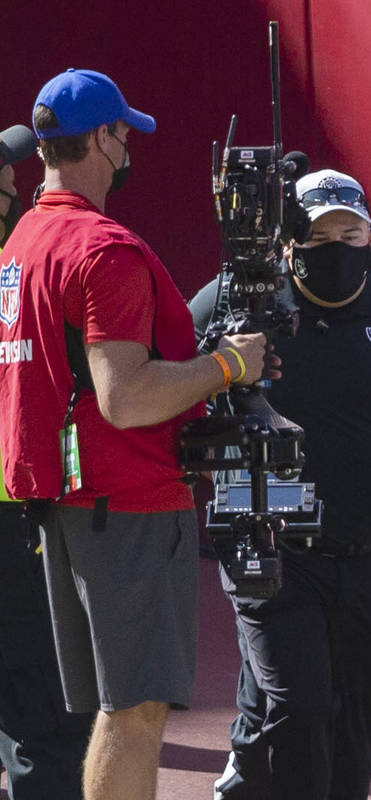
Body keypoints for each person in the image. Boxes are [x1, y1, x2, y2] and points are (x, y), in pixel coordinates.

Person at [0, 68, 272, 800]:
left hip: (68, 500)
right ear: (99, 139)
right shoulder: (102, 249)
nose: (129, 148)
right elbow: (125, 397)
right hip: (127, 504)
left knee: (118, 708)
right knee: (136, 710)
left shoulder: (25, 237)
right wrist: (227, 363)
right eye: (123, 134)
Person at [192, 167, 371, 800]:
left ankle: (250, 758)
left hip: (368, 551)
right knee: (302, 707)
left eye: (350, 233)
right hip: (269, 545)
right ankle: (252, 759)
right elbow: (166, 372)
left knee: (360, 729)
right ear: (288, 242)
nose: (337, 248)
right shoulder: (239, 298)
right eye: (318, 237)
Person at [0, 121, 94, 800]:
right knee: (48, 711)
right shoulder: (19, 268)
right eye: (4, 169)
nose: (15, 178)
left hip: (19, 505)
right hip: (19, 511)